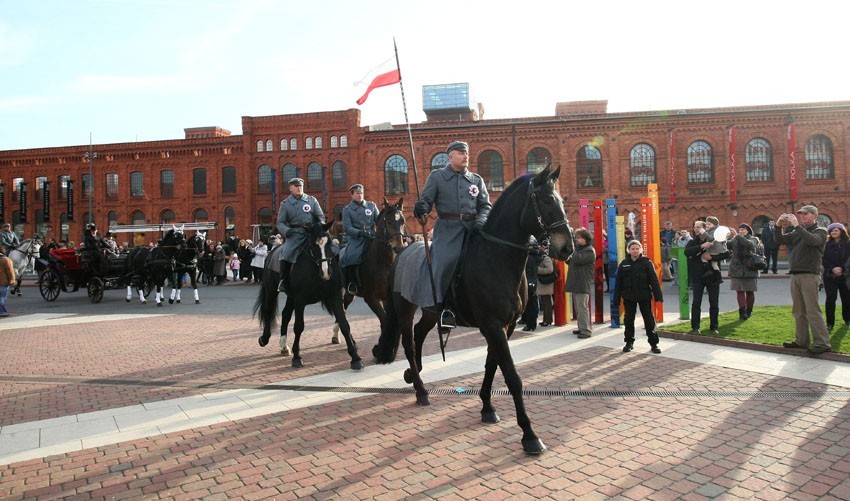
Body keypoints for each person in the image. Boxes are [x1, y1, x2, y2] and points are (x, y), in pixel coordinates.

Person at [412, 140, 491, 330]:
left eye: (467, 153)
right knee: (447, 262)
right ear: (450, 156)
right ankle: (444, 309)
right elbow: (426, 202)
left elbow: (486, 205)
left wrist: (481, 220)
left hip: (474, 230)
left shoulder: (476, 179)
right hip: (448, 230)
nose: (465, 156)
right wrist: (421, 207)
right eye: (460, 153)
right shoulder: (437, 177)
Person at [775, 206, 830, 354]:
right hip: (796, 274)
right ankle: (801, 340)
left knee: (812, 310)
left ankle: (822, 343)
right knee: (798, 311)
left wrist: (797, 226)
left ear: (814, 216)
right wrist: (778, 225)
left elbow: (812, 241)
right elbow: (780, 239)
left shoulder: (821, 231)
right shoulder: (798, 231)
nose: (802, 216)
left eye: (806, 214)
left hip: (810, 274)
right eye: (801, 214)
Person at [276, 177, 325, 293]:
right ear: (290, 188)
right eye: (296, 186)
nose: (299, 188)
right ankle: (283, 280)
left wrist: (318, 226)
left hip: (312, 233)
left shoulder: (312, 200)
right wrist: (287, 231)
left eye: (300, 186)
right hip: (295, 234)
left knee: (330, 250)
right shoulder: (286, 204)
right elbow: (280, 222)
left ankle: (331, 276)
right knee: (286, 253)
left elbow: (321, 217)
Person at [613, 240, 663, 354]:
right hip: (629, 296)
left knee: (649, 320)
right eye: (632, 249)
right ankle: (629, 342)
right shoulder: (624, 263)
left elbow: (654, 280)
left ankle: (654, 343)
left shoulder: (646, 262)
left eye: (637, 248)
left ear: (641, 250)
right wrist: (616, 299)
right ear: (628, 250)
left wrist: (658, 296)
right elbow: (618, 283)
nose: (635, 251)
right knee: (629, 320)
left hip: (644, 296)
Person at [685, 220, 729, 335]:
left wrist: (712, 258)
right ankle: (695, 327)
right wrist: (701, 246)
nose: (696, 229)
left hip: (713, 276)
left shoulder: (715, 240)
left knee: (714, 303)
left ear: (705, 229)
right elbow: (687, 252)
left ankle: (714, 327)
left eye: (698, 227)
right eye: (695, 227)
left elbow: (726, 254)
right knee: (696, 302)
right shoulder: (692, 241)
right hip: (698, 276)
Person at [340, 183, 379, 294]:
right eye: (357, 193)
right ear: (352, 195)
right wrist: (360, 233)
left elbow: (379, 221)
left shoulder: (371, 206)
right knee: (351, 256)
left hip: (372, 236)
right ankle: (352, 282)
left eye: (361, 193)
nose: (360, 195)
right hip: (357, 239)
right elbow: (347, 228)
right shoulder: (347, 209)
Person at [565, 228, 595, 338]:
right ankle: (581, 327)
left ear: (585, 239)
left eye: (579, 238)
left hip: (582, 282)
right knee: (578, 307)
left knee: (582, 307)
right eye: (576, 238)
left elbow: (578, 260)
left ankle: (586, 330)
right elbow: (570, 261)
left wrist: (572, 250)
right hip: (576, 282)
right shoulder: (580, 249)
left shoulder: (589, 250)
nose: (577, 240)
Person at [727, 224, 759, 320]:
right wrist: (725, 238)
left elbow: (750, 245)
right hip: (736, 269)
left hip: (749, 268)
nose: (741, 231)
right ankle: (742, 312)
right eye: (739, 229)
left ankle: (749, 311)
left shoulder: (754, 239)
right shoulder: (735, 239)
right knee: (739, 291)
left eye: (743, 230)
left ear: (748, 231)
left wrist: (737, 235)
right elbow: (728, 245)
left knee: (750, 291)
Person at [822, 223, 850, 330]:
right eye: (832, 230)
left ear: (841, 232)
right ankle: (830, 323)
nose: (834, 232)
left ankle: (847, 319)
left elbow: (848, 258)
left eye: (836, 230)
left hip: (845, 275)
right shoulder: (826, 245)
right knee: (830, 299)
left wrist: (842, 268)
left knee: (846, 299)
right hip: (830, 275)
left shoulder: (847, 244)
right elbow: (823, 259)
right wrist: (833, 268)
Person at [521, 238, 544, 332]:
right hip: (533, 282)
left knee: (529, 305)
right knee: (533, 303)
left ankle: (530, 324)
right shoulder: (537, 256)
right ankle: (532, 324)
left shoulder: (528, 257)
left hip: (528, 282)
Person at [536, 247, 555, 327]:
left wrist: (538, 269)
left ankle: (548, 320)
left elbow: (550, 269)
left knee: (547, 302)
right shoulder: (542, 258)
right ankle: (546, 319)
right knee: (545, 302)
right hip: (543, 283)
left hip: (546, 282)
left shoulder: (546, 258)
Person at [0, 247, 14, 317]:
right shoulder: (6, 260)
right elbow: (10, 271)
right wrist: (12, 280)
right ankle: (2, 311)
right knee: (3, 297)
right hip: (3, 281)